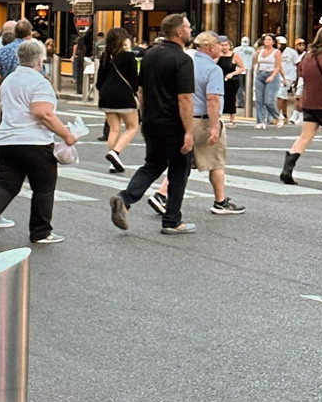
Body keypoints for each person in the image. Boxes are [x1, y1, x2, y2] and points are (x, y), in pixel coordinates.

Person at [0, 37, 78, 246]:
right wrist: (66, 134)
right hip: (34, 142)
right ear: (39, 61)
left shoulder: (9, 80)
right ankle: (41, 231)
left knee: (6, 185)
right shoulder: (39, 82)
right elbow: (42, 113)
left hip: (7, 141)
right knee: (44, 187)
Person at [109, 12, 197, 237]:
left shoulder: (150, 55)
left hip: (152, 120)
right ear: (179, 32)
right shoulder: (183, 59)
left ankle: (125, 199)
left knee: (153, 164)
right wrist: (189, 131)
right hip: (174, 123)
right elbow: (184, 98)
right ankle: (172, 220)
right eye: (187, 27)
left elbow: (142, 90)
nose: (190, 30)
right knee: (179, 171)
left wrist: (143, 117)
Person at [154, 32, 242, 218]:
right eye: (219, 45)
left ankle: (162, 194)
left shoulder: (186, 62)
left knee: (183, 160)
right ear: (211, 47)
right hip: (203, 119)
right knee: (216, 161)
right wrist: (215, 125)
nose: (222, 48)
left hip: (184, 117)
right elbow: (213, 100)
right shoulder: (213, 69)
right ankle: (219, 201)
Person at [281, 23, 322, 182]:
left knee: (304, 137)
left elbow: (302, 79)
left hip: (310, 103)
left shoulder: (308, 57)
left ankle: (287, 169)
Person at [96, 28, 142, 173]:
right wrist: (136, 94)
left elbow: (99, 82)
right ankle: (115, 152)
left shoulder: (105, 57)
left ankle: (114, 162)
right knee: (133, 126)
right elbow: (134, 80)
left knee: (114, 129)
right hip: (124, 96)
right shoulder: (129, 57)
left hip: (106, 97)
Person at [251, 33, 283, 127]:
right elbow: (256, 63)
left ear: (273, 42)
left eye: (269, 40)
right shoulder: (260, 51)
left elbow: (278, 67)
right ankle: (260, 121)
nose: (267, 41)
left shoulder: (276, 52)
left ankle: (277, 116)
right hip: (261, 74)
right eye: (265, 40)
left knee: (268, 100)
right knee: (259, 100)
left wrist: (272, 76)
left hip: (271, 74)